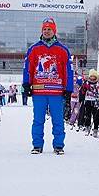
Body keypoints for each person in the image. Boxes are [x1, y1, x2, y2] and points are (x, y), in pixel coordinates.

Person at [22, 17, 73, 154]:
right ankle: (37, 145)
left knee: (58, 120)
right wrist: (26, 84)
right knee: (38, 120)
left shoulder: (62, 50)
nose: (46, 31)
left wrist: (68, 89)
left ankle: (58, 145)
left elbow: (68, 71)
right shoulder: (34, 49)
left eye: (49, 29)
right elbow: (28, 68)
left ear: (54, 31)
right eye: (44, 29)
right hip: (39, 91)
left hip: (56, 92)